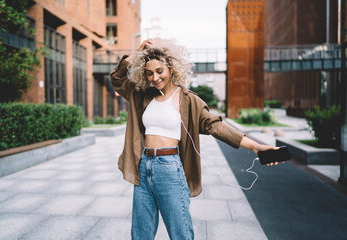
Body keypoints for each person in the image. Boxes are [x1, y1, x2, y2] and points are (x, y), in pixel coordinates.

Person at [110, 38, 280, 240]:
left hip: (169, 168)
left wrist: (254, 145)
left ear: (171, 68)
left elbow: (216, 126)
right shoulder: (142, 95)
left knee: (180, 233)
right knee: (140, 234)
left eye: (159, 71)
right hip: (143, 166)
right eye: (149, 73)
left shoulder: (189, 100)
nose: (154, 77)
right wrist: (137, 54)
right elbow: (118, 80)